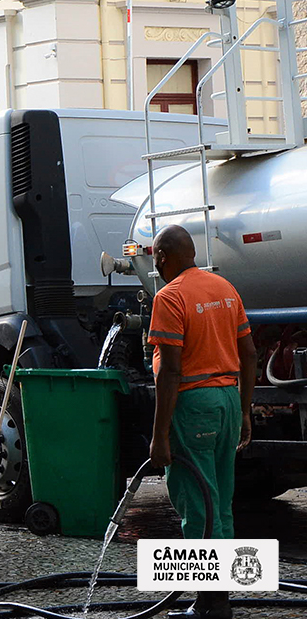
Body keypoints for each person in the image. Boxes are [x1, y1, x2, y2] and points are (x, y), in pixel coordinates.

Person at [147, 225, 255, 619]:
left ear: (162, 256)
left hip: (193, 403)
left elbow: (168, 372)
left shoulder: (169, 297)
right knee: (220, 503)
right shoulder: (224, 288)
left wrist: (159, 437)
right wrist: (244, 410)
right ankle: (218, 601)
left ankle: (209, 605)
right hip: (227, 400)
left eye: (156, 257)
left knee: (198, 505)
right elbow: (250, 354)